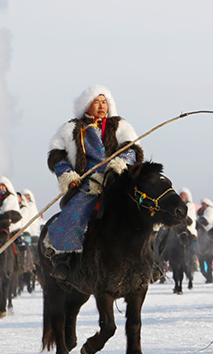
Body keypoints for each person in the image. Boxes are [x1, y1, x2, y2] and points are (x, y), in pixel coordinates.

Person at [46, 85, 143, 280]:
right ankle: (64, 258)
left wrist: (120, 164)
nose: (101, 105)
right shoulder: (71, 129)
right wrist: (69, 176)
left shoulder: (120, 126)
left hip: (117, 180)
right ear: (86, 105)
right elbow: (57, 156)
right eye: (96, 101)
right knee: (75, 213)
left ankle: (150, 259)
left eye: (104, 101)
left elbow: (131, 149)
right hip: (86, 184)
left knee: (143, 212)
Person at [0, 177, 23, 250]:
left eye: (2, 186)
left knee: (20, 244)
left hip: (8, 227)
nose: (0, 188)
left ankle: (20, 259)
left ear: (6, 186)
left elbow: (15, 214)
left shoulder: (11, 198)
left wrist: (6, 217)